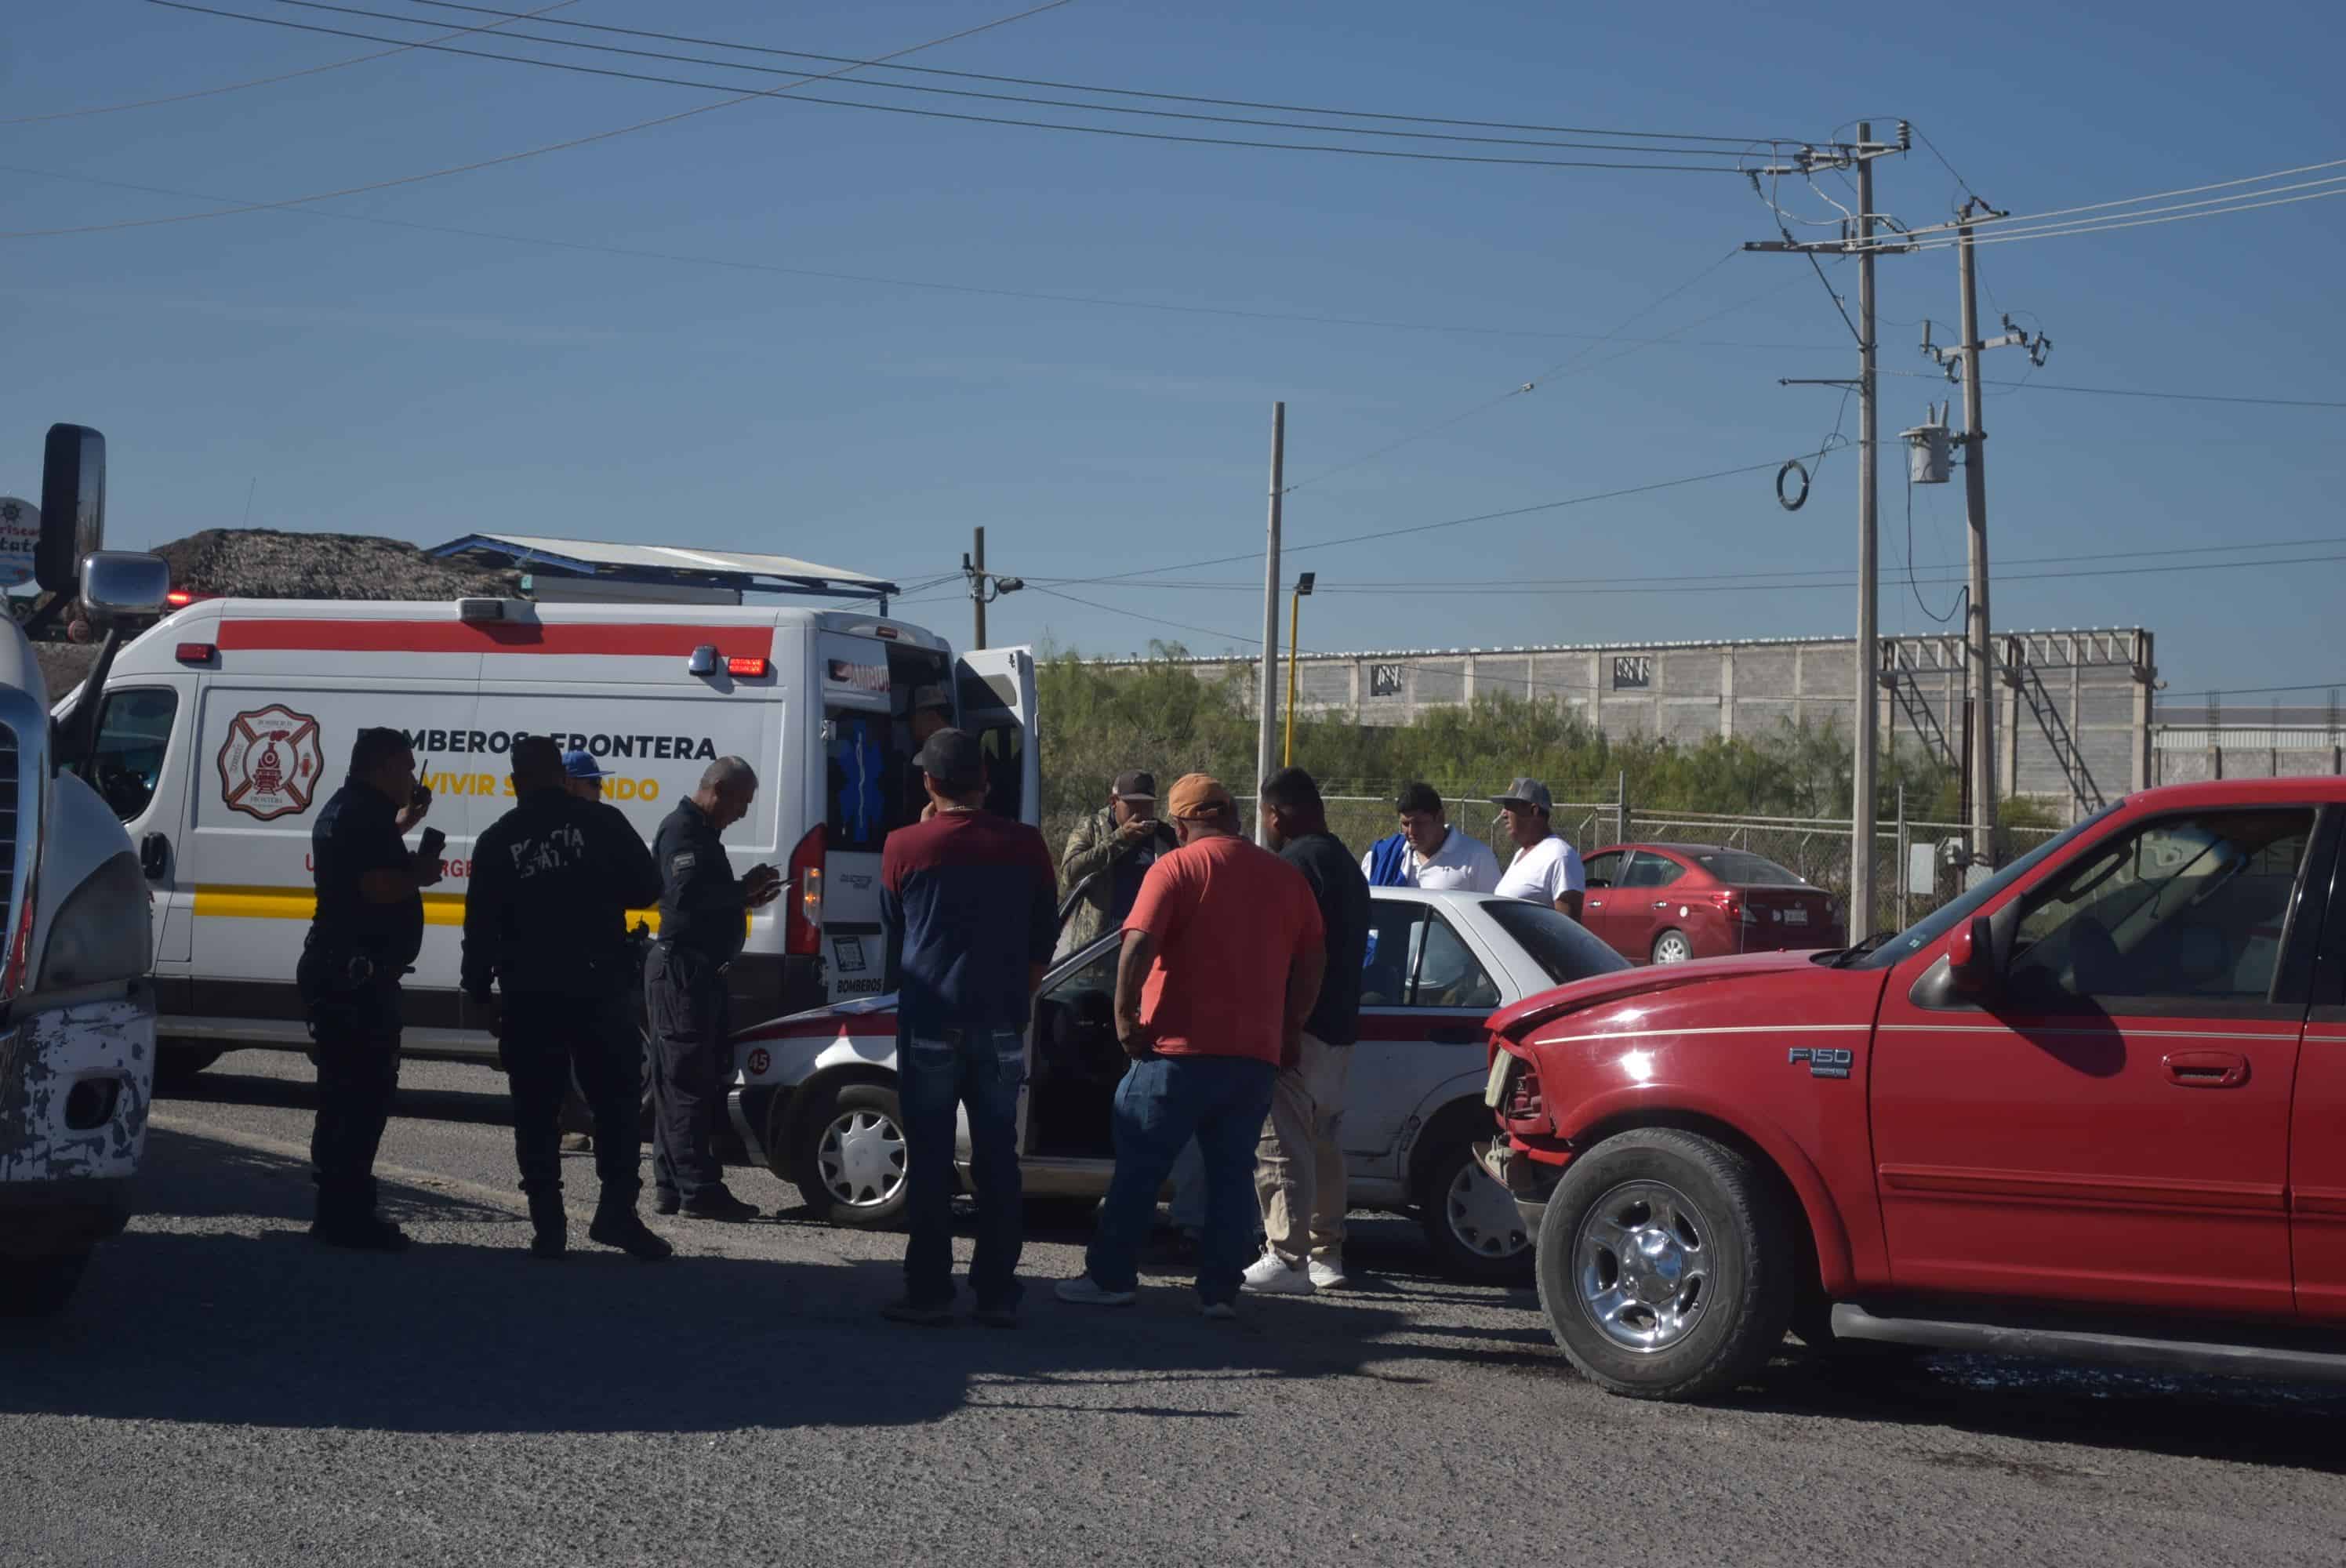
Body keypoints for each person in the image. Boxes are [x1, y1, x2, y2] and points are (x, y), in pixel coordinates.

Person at [1056, 775, 1326, 1319]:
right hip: (1252, 1058)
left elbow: (1137, 945)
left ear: (1180, 825)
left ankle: (1111, 1277)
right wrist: (1290, 1026)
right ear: (1233, 817)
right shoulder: (1284, 878)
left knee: (1139, 1169)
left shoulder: (1176, 867)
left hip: (1175, 1054)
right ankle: (1219, 1292)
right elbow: (1315, 959)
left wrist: (1125, 1018)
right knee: (1231, 1178)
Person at [462, 737, 671, 1261]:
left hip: (530, 992)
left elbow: (479, 927)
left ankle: (548, 1225)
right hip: (599, 985)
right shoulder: (601, 823)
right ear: (560, 775)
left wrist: (478, 991)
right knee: (616, 1103)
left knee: (536, 1108)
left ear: (515, 780)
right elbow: (646, 887)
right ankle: (617, 1212)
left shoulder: (496, 840)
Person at [877, 729, 1059, 1327]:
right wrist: (1019, 993)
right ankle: (997, 1293)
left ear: (929, 782)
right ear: (985, 782)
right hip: (1002, 1020)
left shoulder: (903, 845)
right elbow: (1045, 936)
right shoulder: (1027, 845)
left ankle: (928, 1291)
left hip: (929, 1018)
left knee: (929, 1157)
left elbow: (896, 937)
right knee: (997, 1157)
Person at [296, 727, 440, 1250]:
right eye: (406, 767)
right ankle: (345, 1213)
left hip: (351, 970)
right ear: (382, 768)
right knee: (358, 1097)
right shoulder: (359, 814)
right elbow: (373, 883)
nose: (411, 776)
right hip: (352, 976)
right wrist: (420, 874)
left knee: (349, 1094)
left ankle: (341, 1208)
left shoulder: (359, 810)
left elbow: (369, 855)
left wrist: (408, 822)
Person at [1245, 768, 1371, 1294]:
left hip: (1300, 1025)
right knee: (1323, 1141)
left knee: (1283, 1144)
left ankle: (1287, 1256)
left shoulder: (1293, 866)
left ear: (1277, 815)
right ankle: (1325, 1252)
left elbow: (1287, 953)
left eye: (1265, 817)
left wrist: (1284, 1023)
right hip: (1340, 1025)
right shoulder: (1345, 863)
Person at [646, 757, 784, 1221]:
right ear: (719, 789)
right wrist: (741, 888)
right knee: (688, 1084)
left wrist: (747, 895)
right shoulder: (684, 830)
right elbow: (684, 898)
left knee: (679, 1082)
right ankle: (698, 1188)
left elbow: (706, 897)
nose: (743, 813)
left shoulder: (702, 834)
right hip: (683, 972)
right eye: (742, 802)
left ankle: (672, 1183)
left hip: (696, 972)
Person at [555, 747, 614, 1152]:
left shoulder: (591, 824)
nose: (600, 789)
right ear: (572, 783)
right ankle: (560, 1126)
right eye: (594, 782)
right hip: (557, 956)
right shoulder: (558, 827)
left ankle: (573, 1120)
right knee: (559, 1047)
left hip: (582, 955)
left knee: (577, 1047)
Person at [1056, 770, 1176, 957]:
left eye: (1147, 805)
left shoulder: (1163, 836)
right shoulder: (1092, 828)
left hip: (1144, 944)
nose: (1141, 812)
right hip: (1096, 949)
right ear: (1114, 802)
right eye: (1134, 804)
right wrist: (1120, 839)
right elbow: (1069, 873)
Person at [1360, 782, 1502, 892]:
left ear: (1440, 817)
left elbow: (1493, 914)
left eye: (1419, 823)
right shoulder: (1386, 856)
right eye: (1405, 824)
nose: (1412, 831)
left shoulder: (1477, 857)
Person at [1491, 777, 1586, 920]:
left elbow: (1568, 928)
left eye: (1510, 806)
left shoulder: (1560, 856)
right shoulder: (1521, 854)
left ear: (1534, 810)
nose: (1503, 814)